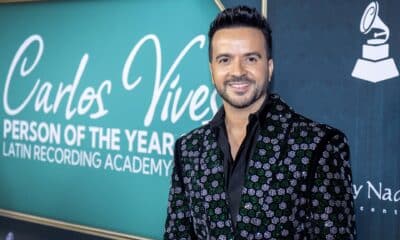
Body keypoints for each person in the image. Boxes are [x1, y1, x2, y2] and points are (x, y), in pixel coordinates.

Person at [164, 5, 356, 240]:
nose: (238, 71)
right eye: (225, 59)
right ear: (212, 70)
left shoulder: (318, 146)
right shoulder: (188, 149)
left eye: (251, 58)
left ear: (269, 66)